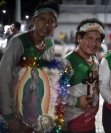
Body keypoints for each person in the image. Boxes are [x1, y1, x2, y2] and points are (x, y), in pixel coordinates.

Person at [0, 1, 59, 132]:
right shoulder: (18, 42)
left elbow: (48, 79)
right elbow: (3, 78)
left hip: (38, 114)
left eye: (51, 21)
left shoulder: (49, 45)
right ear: (34, 20)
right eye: (42, 19)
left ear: (56, 25)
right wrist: (9, 117)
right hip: (14, 111)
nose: (46, 24)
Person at [64, 18, 105, 133]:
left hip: (90, 123)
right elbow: (54, 92)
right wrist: (77, 102)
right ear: (79, 38)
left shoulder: (94, 59)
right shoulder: (67, 62)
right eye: (89, 38)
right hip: (73, 126)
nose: (93, 43)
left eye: (98, 40)